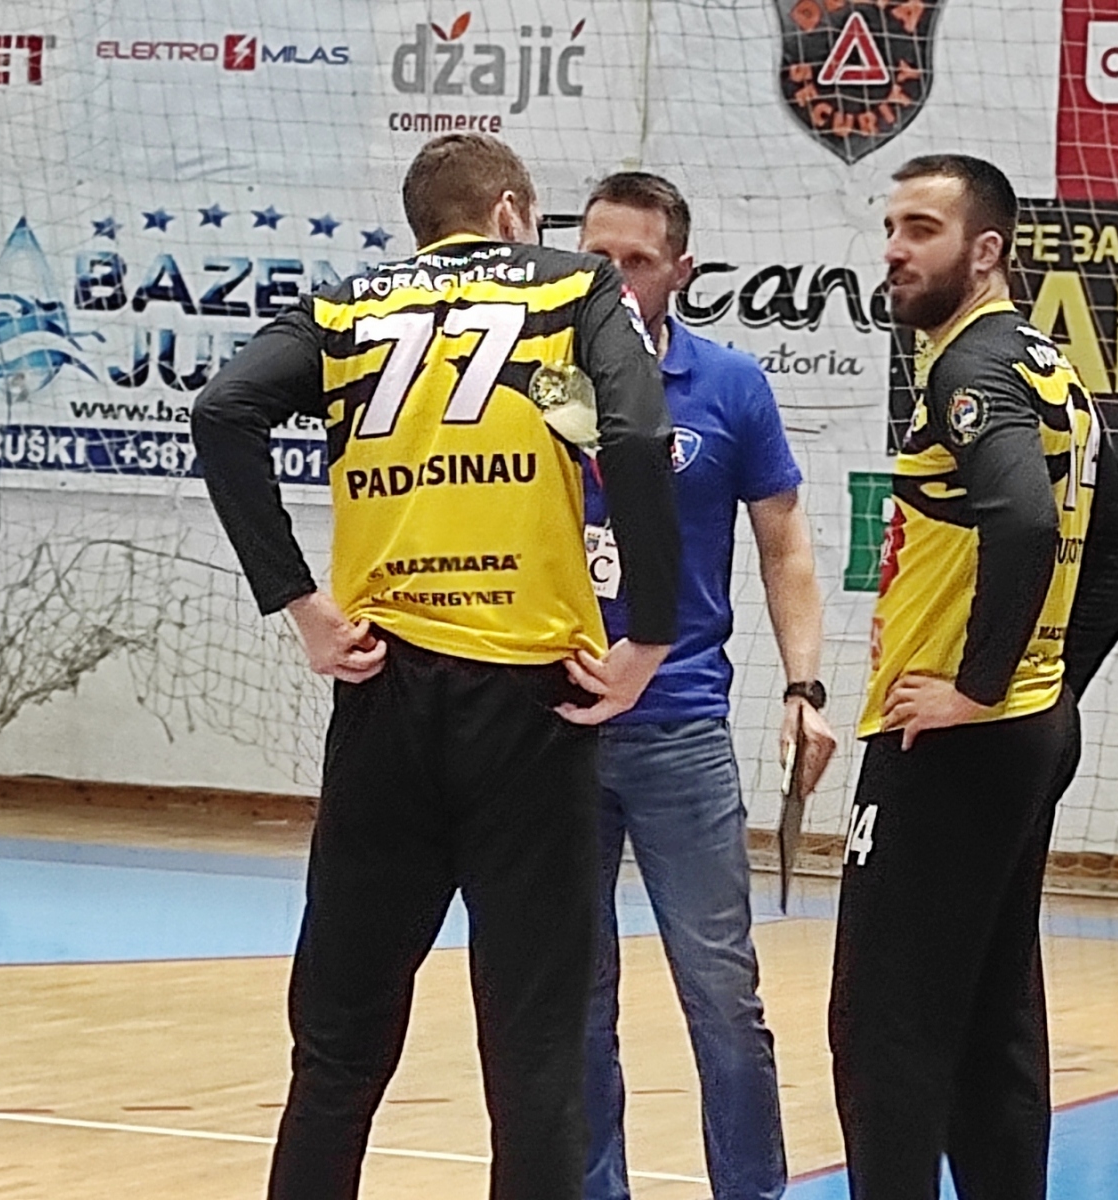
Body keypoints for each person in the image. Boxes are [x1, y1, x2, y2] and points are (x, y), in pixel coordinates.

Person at [191, 133, 681, 1200]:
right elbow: (641, 439)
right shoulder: (574, 286)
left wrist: (301, 605)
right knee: (536, 1047)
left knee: (338, 1043)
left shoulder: (344, 307)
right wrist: (649, 632)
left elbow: (221, 411)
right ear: (510, 214)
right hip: (534, 702)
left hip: (385, 691)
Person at [828, 154, 1118, 1200]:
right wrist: (1045, 686)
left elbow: (1022, 519)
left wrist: (978, 688)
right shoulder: (1043, 364)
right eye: (890, 227)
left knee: (882, 1021)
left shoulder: (969, 368)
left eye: (920, 230)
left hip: (948, 741)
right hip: (1020, 731)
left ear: (985, 252)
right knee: (989, 1015)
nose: (894, 249)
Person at [575, 172, 838, 1200]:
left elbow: (785, 545)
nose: (611, 277)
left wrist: (804, 686)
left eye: (635, 260)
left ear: (679, 271)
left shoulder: (728, 386)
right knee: (571, 996)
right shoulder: (526, 385)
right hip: (550, 730)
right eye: (594, 256)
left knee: (721, 993)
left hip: (679, 728)